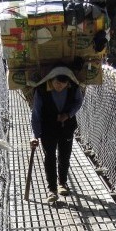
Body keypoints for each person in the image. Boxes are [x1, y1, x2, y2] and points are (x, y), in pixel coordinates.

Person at [30, 66, 84, 203]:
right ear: (51, 80)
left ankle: (62, 183)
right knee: (50, 157)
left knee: (65, 156)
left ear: (68, 83)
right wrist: (34, 135)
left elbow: (79, 102)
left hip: (67, 128)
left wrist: (68, 114)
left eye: (63, 84)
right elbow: (36, 113)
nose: (59, 86)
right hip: (47, 128)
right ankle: (52, 189)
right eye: (56, 83)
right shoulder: (41, 90)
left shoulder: (74, 88)